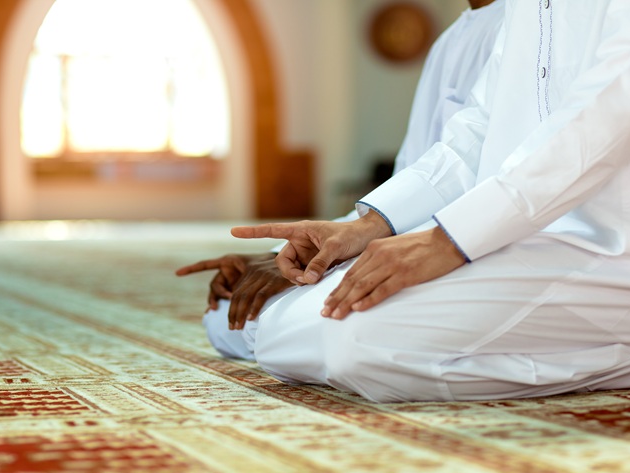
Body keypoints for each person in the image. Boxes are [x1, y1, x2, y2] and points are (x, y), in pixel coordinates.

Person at [227, 0, 630, 403]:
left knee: (351, 344)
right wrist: (371, 224)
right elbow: (480, 125)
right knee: (281, 325)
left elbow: (618, 103)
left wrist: (450, 240)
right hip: (544, 238)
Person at [176, 0, 505, 359]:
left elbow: (498, 188)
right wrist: (287, 256)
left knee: (324, 333)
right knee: (226, 320)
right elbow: (410, 184)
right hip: (397, 238)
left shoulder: (521, 25)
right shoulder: (450, 40)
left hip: (467, 245)